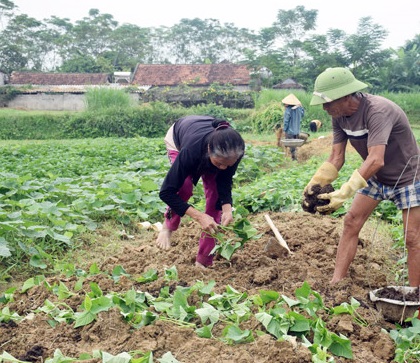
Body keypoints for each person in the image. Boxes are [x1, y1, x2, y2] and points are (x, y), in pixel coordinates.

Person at [303, 67, 420, 287]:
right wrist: (315, 184)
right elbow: (337, 157)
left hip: (409, 177)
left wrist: (345, 192)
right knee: (351, 222)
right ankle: (336, 284)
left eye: (328, 102)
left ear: (346, 95)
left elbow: (376, 159)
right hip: (377, 178)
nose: (325, 108)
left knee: (412, 237)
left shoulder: (377, 111)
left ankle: (416, 299)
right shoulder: (339, 117)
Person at [156, 115, 245, 268]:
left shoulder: (233, 151)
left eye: (228, 165)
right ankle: (168, 226)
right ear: (209, 150)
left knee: (215, 198)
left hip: (209, 147)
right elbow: (166, 192)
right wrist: (199, 216)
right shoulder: (190, 151)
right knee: (183, 188)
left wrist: (227, 209)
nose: (223, 168)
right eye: (219, 163)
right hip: (179, 138)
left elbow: (225, 180)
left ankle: (204, 260)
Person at [282, 93, 305, 160]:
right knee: (295, 144)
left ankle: (293, 157)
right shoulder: (299, 109)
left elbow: (286, 121)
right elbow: (302, 114)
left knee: (290, 145)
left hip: (290, 131)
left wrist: (284, 129)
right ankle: (295, 156)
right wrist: (301, 106)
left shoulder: (288, 110)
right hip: (297, 130)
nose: (284, 105)